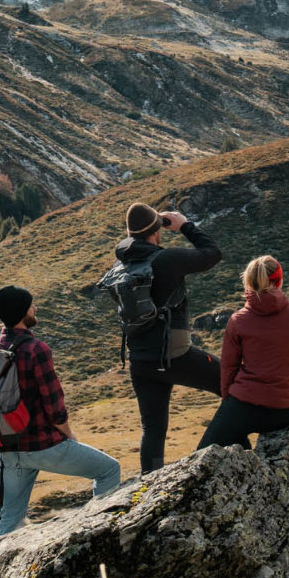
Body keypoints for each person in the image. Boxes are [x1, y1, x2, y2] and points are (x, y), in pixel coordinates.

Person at [0, 285, 122, 535]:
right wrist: (69, 436)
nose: (35, 308)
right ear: (23, 312)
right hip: (44, 445)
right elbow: (54, 406)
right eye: (32, 305)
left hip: (8, 448)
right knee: (109, 470)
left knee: (11, 518)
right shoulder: (36, 350)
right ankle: (101, 535)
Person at [114, 202, 223, 474]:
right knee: (234, 384)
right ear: (156, 230)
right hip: (176, 355)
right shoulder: (166, 259)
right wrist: (185, 225)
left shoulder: (122, 265)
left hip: (140, 361)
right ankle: (234, 450)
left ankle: (148, 484)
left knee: (153, 429)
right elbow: (212, 254)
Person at [199, 256, 289, 450]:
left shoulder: (238, 320)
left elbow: (229, 367)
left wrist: (229, 401)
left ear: (248, 283)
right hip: (280, 411)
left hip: (241, 406)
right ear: (278, 280)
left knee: (203, 457)